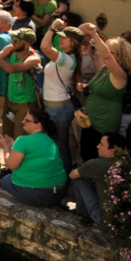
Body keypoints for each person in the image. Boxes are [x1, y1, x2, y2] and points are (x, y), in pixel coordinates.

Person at [77, 24, 131, 162]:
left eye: (110, 51)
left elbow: (107, 58)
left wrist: (94, 35)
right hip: (90, 119)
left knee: (96, 156)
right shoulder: (104, 69)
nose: (105, 53)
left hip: (104, 121)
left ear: (120, 56)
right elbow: (97, 85)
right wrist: (85, 86)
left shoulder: (120, 74)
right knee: (85, 152)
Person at [0, 109, 68, 208]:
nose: (23, 122)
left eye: (27, 120)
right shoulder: (50, 140)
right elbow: (32, 157)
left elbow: (11, 165)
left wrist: (5, 146)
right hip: (59, 192)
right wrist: (13, 147)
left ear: (38, 125)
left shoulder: (23, 140)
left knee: (6, 180)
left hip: (40, 195)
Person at [39, 19, 84, 169]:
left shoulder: (68, 60)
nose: (60, 38)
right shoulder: (64, 57)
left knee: (61, 146)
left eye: (65, 37)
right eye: (61, 36)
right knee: (55, 144)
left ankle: (63, 178)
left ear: (74, 42)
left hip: (60, 109)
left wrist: (52, 26)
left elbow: (45, 46)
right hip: (54, 107)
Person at [0, 28, 41, 139]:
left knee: (20, 138)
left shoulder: (33, 58)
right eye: (13, 39)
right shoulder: (12, 48)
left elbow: (11, 69)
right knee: (7, 137)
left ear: (27, 44)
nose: (13, 43)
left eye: (17, 41)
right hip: (10, 100)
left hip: (25, 102)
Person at [69, 133, 130, 228]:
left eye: (101, 144)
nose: (97, 146)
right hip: (127, 221)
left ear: (111, 151)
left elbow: (72, 175)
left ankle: (83, 215)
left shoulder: (96, 164)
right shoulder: (129, 163)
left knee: (79, 180)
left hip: (106, 222)